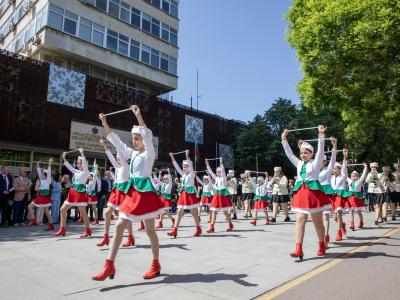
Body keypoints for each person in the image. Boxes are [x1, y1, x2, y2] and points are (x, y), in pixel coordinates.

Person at [93, 105, 165, 281]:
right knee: (119, 226)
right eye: (133, 139)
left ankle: (156, 264)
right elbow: (117, 142)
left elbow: (147, 136)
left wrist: (139, 116)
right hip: (132, 193)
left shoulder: (149, 153)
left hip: (145, 193)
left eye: (136, 138)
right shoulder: (132, 154)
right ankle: (109, 265)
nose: (134, 141)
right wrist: (105, 123)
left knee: (150, 230)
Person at [281, 125, 331, 260]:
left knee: (318, 223)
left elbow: (321, 152)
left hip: (313, 194)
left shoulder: (315, 163)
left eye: (306, 153)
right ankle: (298, 248)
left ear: (311, 154)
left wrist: (321, 135)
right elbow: (289, 154)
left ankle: (321, 244)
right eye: (302, 153)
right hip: (301, 194)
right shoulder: (298, 163)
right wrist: (284, 140)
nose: (303, 155)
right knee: (299, 221)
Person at [96, 138, 135, 248]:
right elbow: (110, 156)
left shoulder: (127, 167)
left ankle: (130, 237)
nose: (117, 160)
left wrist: (118, 147)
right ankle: (106, 237)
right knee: (108, 213)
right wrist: (104, 146)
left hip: (123, 193)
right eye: (117, 158)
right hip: (115, 192)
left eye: (119, 158)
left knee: (124, 217)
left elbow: (121, 158)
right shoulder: (118, 168)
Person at [53, 148, 91, 237]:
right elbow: (69, 167)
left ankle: (87, 230)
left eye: (80, 163)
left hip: (80, 193)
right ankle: (62, 229)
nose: (78, 164)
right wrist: (64, 157)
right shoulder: (77, 172)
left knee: (83, 213)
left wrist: (82, 153)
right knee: (62, 210)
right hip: (72, 192)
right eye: (78, 163)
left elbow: (84, 163)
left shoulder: (86, 171)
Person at [167, 150, 202, 238]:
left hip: (190, 195)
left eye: (185, 166)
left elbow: (190, 164)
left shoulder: (191, 174)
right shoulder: (183, 174)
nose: (183, 168)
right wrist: (172, 157)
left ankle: (198, 228)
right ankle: (175, 229)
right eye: (183, 166)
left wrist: (187, 155)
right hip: (183, 195)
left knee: (194, 213)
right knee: (179, 212)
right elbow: (176, 167)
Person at [205, 157, 234, 233]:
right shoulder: (216, 178)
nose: (218, 173)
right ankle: (212, 227)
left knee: (225, 212)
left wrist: (221, 163)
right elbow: (211, 172)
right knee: (214, 211)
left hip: (222, 197)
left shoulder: (224, 178)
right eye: (217, 172)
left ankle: (230, 224)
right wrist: (207, 164)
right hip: (216, 196)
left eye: (219, 172)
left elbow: (223, 171)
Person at [318, 137, 337, 246]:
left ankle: (325, 236)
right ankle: (323, 236)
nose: (320, 162)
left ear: (325, 162)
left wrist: (334, 146)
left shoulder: (329, 169)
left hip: (327, 195)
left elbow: (333, 159)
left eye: (322, 161)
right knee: (318, 219)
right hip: (317, 194)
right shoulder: (314, 169)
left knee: (325, 216)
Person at [26, 159, 54, 230]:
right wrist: (37, 164)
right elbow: (38, 171)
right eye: (41, 173)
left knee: (46, 212)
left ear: (46, 175)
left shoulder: (48, 180)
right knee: (29, 207)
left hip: (44, 197)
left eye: (42, 173)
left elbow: (49, 170)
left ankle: (51, 225)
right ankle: (33, 220)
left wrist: (49, 163)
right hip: (40, 197)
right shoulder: (41, 179)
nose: (41, 174)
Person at [331, 149, 349, 241]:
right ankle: (342, 225)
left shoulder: (343, 176)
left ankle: (339, 233)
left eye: (335, 169)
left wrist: (345, 157)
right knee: (335, 218)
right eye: (333, 169)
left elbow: (345, 167)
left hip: (340, 196)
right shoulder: (331, 177)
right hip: (333, 197)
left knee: (339, 214)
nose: (334, 170)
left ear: (339, 169)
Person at [347, 163, 368, 230]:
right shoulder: (349, 181)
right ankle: (352, 224)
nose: (353, 177)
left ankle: (361, 222)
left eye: (355, 176)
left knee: (359, 212)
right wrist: (344, 165)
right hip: (350, 197)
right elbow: (344, 174)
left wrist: (365, 167)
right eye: (352, 176)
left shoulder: (359, 181)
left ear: (357, 177)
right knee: (351, 211)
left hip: (357, 198)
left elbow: (364, 175)